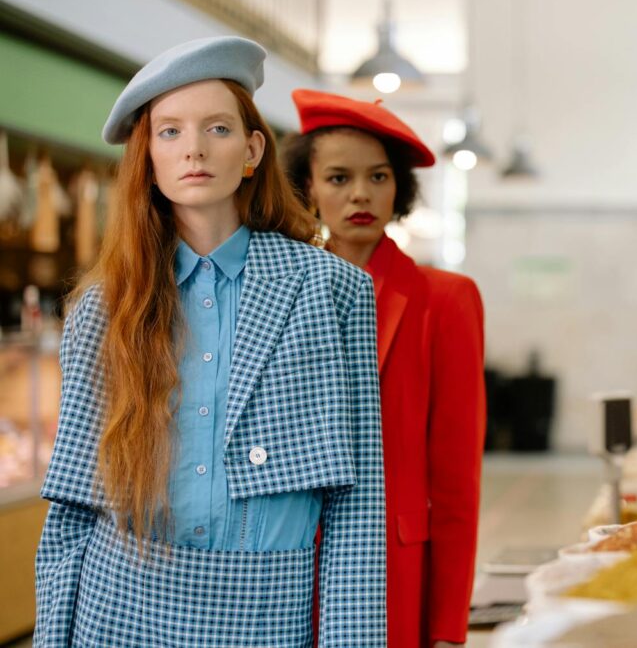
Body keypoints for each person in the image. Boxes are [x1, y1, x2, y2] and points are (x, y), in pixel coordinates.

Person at [34, 37, 386, 647]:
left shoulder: (332, 290)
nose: (193, 148)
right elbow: (72, 504)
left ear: (252, 150)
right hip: (117, 608)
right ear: (147, 158)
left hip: (266, 614)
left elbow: (358, 503)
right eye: (169, 132)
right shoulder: (104, 306)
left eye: (217, 128)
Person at [284, 89, 486, 648]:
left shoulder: (445, 300)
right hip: (286, 568)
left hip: (393, 570)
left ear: (399, 188)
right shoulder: (282, 294)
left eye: (378, 176)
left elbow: (457, 477)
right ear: (308, 187)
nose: (360, 194)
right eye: (339, 178)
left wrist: (448, 624)